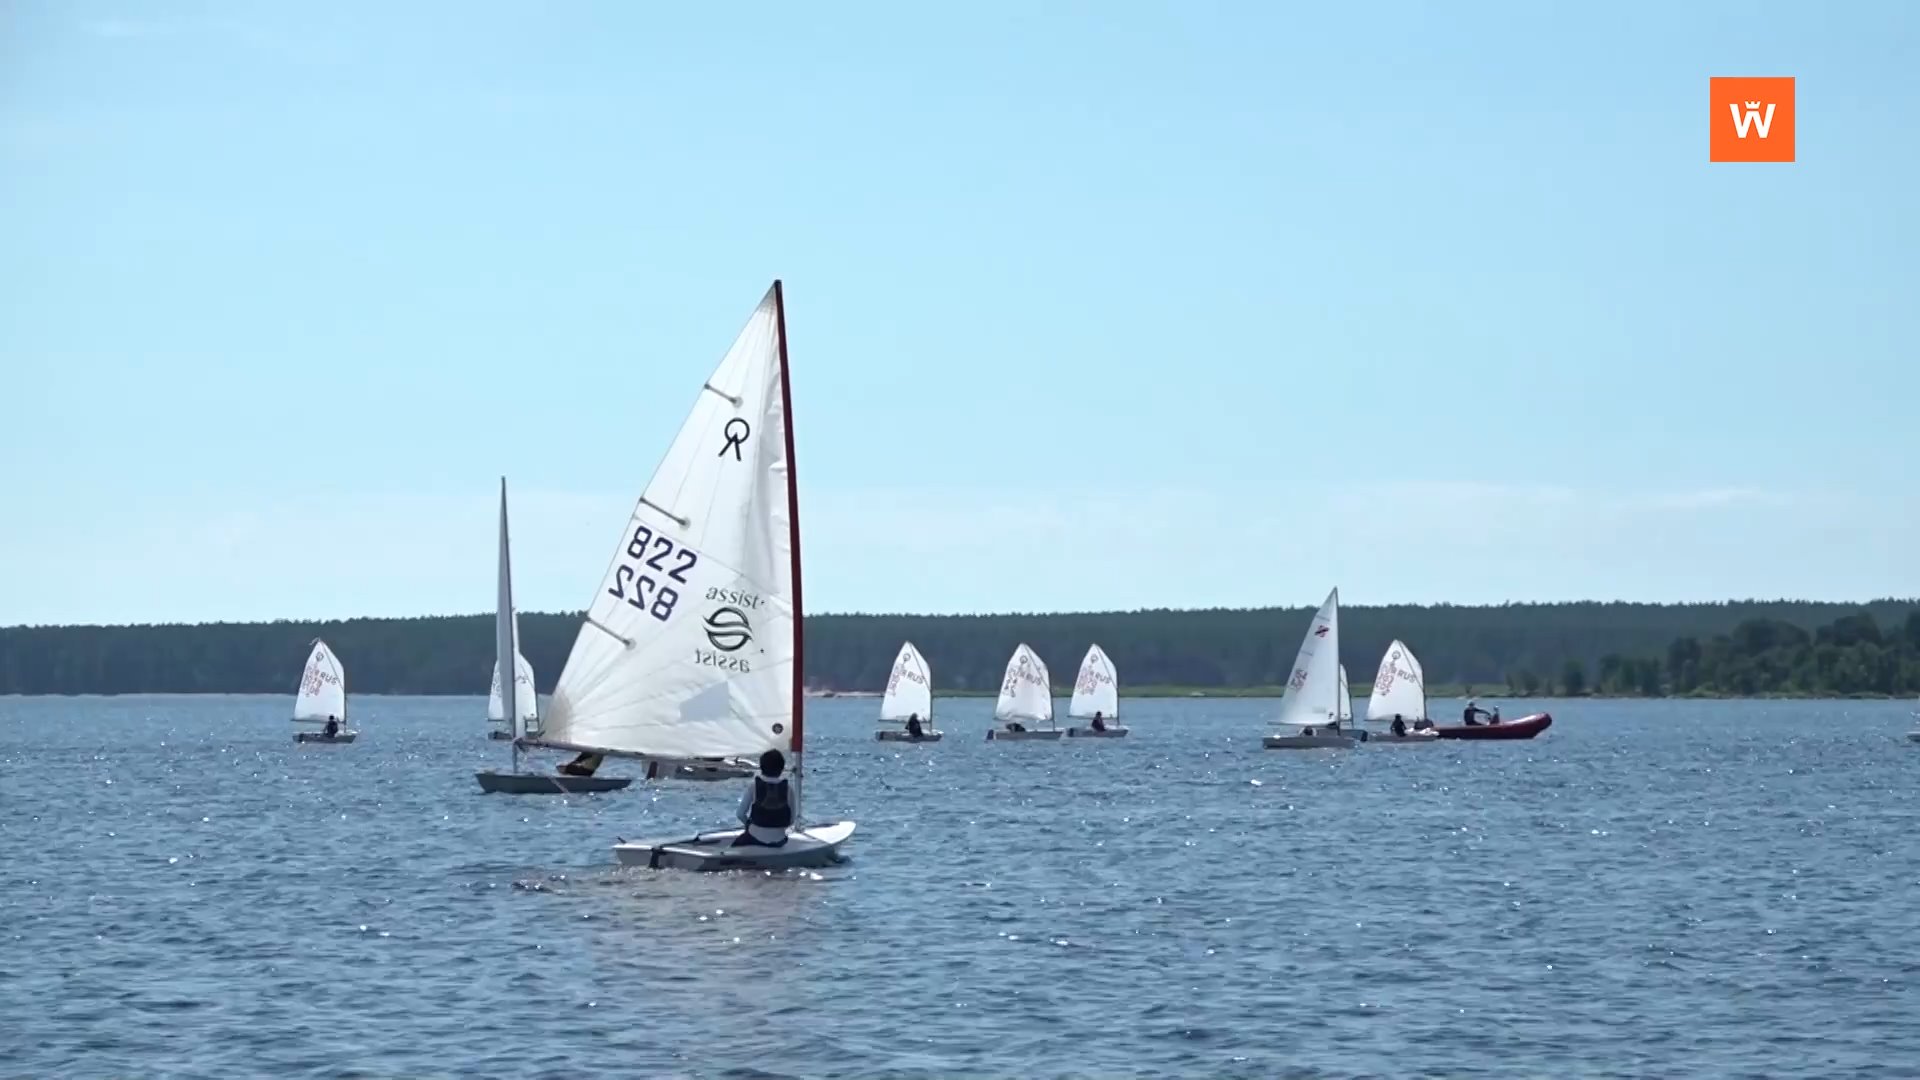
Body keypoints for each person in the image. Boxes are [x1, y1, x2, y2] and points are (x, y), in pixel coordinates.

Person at [733, 749, 793, 848]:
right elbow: (791, 820)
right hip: (779, 840)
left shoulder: (753, 786)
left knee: (734, 846)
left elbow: (740, 814)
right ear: (782, 768)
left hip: (754, 838)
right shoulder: (788, 789)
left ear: (761, 767)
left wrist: (748, 825)